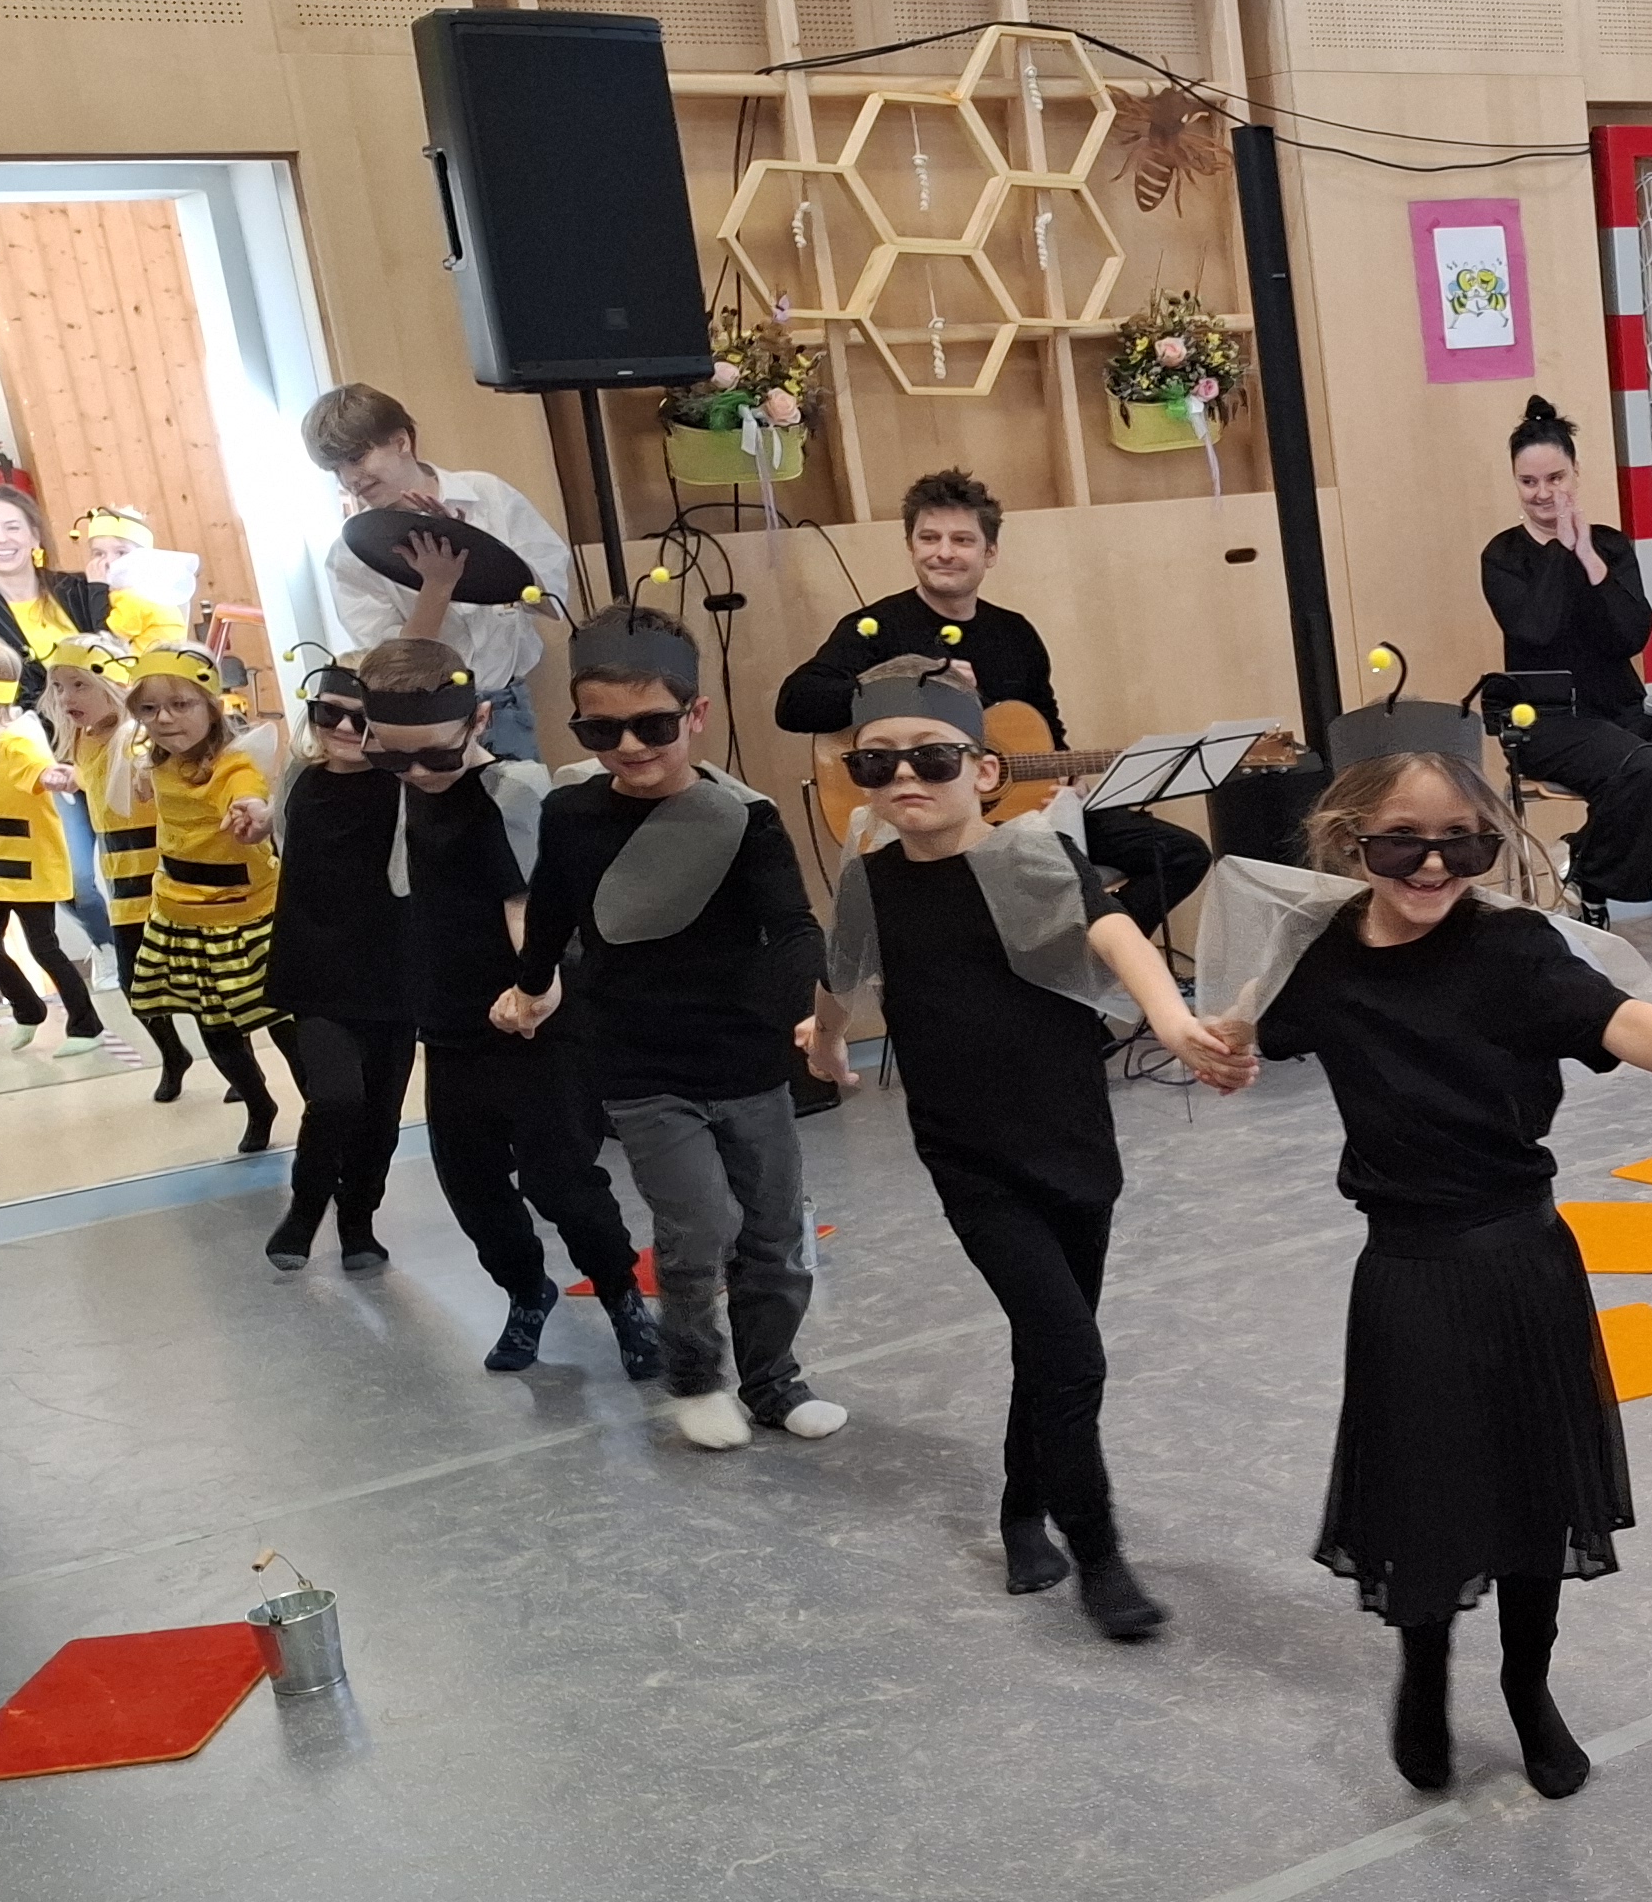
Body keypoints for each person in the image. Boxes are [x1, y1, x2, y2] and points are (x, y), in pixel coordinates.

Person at [1180, 750, 1652, 1796]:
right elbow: (1250, 1021)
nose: (1433, 866)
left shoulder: (1515, 950)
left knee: (1537, 1488)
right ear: (1351, 843)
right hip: (1406, 1270)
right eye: (1402, 844)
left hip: (1523, 1259)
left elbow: (1626, 1022)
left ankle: (1529, 1685)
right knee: (1423, 1485)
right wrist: (1228, 1044)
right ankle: (1423, 1671)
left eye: (1463, 845)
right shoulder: (1324, 956)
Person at [812, 660, 1227, 1637]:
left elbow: (1116, 934)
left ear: (984, 770)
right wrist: (826, 1043)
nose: (904, 777)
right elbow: (839, 973)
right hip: (970, 1159)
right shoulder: (872, 880)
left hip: (1074, 1145)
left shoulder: (1036, 857)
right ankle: (1099, 1557)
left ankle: (1018, 1507)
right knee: (1072, 1355)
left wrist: (1173, 1021)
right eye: (877, 762)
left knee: (1049, 1344)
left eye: (931, 757)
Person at [503, 608, 836, 1448]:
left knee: (774, 1232)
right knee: (696, 1227)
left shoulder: (745, 818)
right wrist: (532, 985)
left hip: (748, 1059)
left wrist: (807, 1010)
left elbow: (793, 926)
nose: (628, 746)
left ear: (696, 716)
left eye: (651, 725)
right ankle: (695, 1376)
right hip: (640, 1063)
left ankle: (773, 1380)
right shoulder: (571, 814)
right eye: (600, 730)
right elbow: (552, 911)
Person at [359, 643, 657, 1377]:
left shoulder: (514, 788)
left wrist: (537, 985)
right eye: (392, 758)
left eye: (435, 754)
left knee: (561, 1180)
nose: (416, 773)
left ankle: (622, 1296)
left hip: (532, 1018)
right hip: (448, 1022)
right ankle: (527, 1291)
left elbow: (528, 901)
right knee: (471, 1184)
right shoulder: (397, 791)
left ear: (480, 720)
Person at [772, 468, 1207, 934]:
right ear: (911, 546)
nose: (943, 552)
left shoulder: (1015, 633)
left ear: (990, 552)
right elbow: (795, 704)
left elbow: (1045, 726)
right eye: (929, 538)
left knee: (1180, 854)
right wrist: (912, 679)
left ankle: (1087, 950)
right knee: (1017, 885)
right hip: (928, 818)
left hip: (1018, 814)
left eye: (961, 540)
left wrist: (1066, 774)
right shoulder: (874, 627)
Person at [1480, 397, 1652, 916]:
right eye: (1528, 482)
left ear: (1576, 474)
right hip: (1546, 720)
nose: (1543, 493)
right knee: (1641, 765)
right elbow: (1535, 629)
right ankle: (1594, 890)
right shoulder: (1502, 556)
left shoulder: (1609, 546)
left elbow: (1630, 636)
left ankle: (1583, 865)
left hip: (1619, 707)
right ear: (1516, 483)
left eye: (1555, 478)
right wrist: (1559, 550)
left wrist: (1588, 557)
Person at [302, 383, 577, 767]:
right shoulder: (350, 555)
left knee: (519, 803)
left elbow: (551, 602)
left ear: (400, 442)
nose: (350, 478)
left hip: (507, 703)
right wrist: (438, 584)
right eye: (336, 468)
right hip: (424, 720)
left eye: (356, 458)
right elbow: (395, 669)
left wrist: (476, 549)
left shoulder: (487, 494)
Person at [259, 660, 411, 1272]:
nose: (345, 729)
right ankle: (305, 1209)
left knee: (382, 1114)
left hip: (392, 973)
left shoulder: (406, 785)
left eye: (362, 719)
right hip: (315, 971)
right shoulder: (299, 778)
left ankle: (359, 1219)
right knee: (336, 1097)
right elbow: (282, 842)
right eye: (329, 714)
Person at [115, 650, 281, 1151]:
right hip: (181, 917)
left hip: (246, 919)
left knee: (283, 1021)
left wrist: (251, 810)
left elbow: (247, 791)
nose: (165, 719)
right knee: (214, 1026)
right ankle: (259, 1103)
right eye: (149, 710)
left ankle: (323, 1114)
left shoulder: (233, 765)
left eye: (181, 705)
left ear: (211, 706)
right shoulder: (158, 763)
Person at [41, 635, 194, 1097]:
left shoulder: (141, 737)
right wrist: (73, 777)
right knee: (135, 984)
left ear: (111, 685)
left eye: (79, 685)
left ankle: (240, 1069)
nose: (66, 697)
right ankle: (173, 1053)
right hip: (123, 882)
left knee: (204, 984)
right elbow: (98, 781)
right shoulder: (83, 739)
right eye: (58, 687)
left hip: (168, 876)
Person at [0, 638, 103, 1048]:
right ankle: (27, 1009)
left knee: (44, 947)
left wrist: (54, 776)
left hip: (28, 867)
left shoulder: (14, 741)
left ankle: (86, 1025)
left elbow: (37, 768)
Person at [0, 483, 180, 713]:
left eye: (12, 527)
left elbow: (118, 647)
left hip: (123, 716)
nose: (1, 538)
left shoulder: (84, 586)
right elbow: (2, 695)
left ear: (34, 536)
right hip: (43, 732)